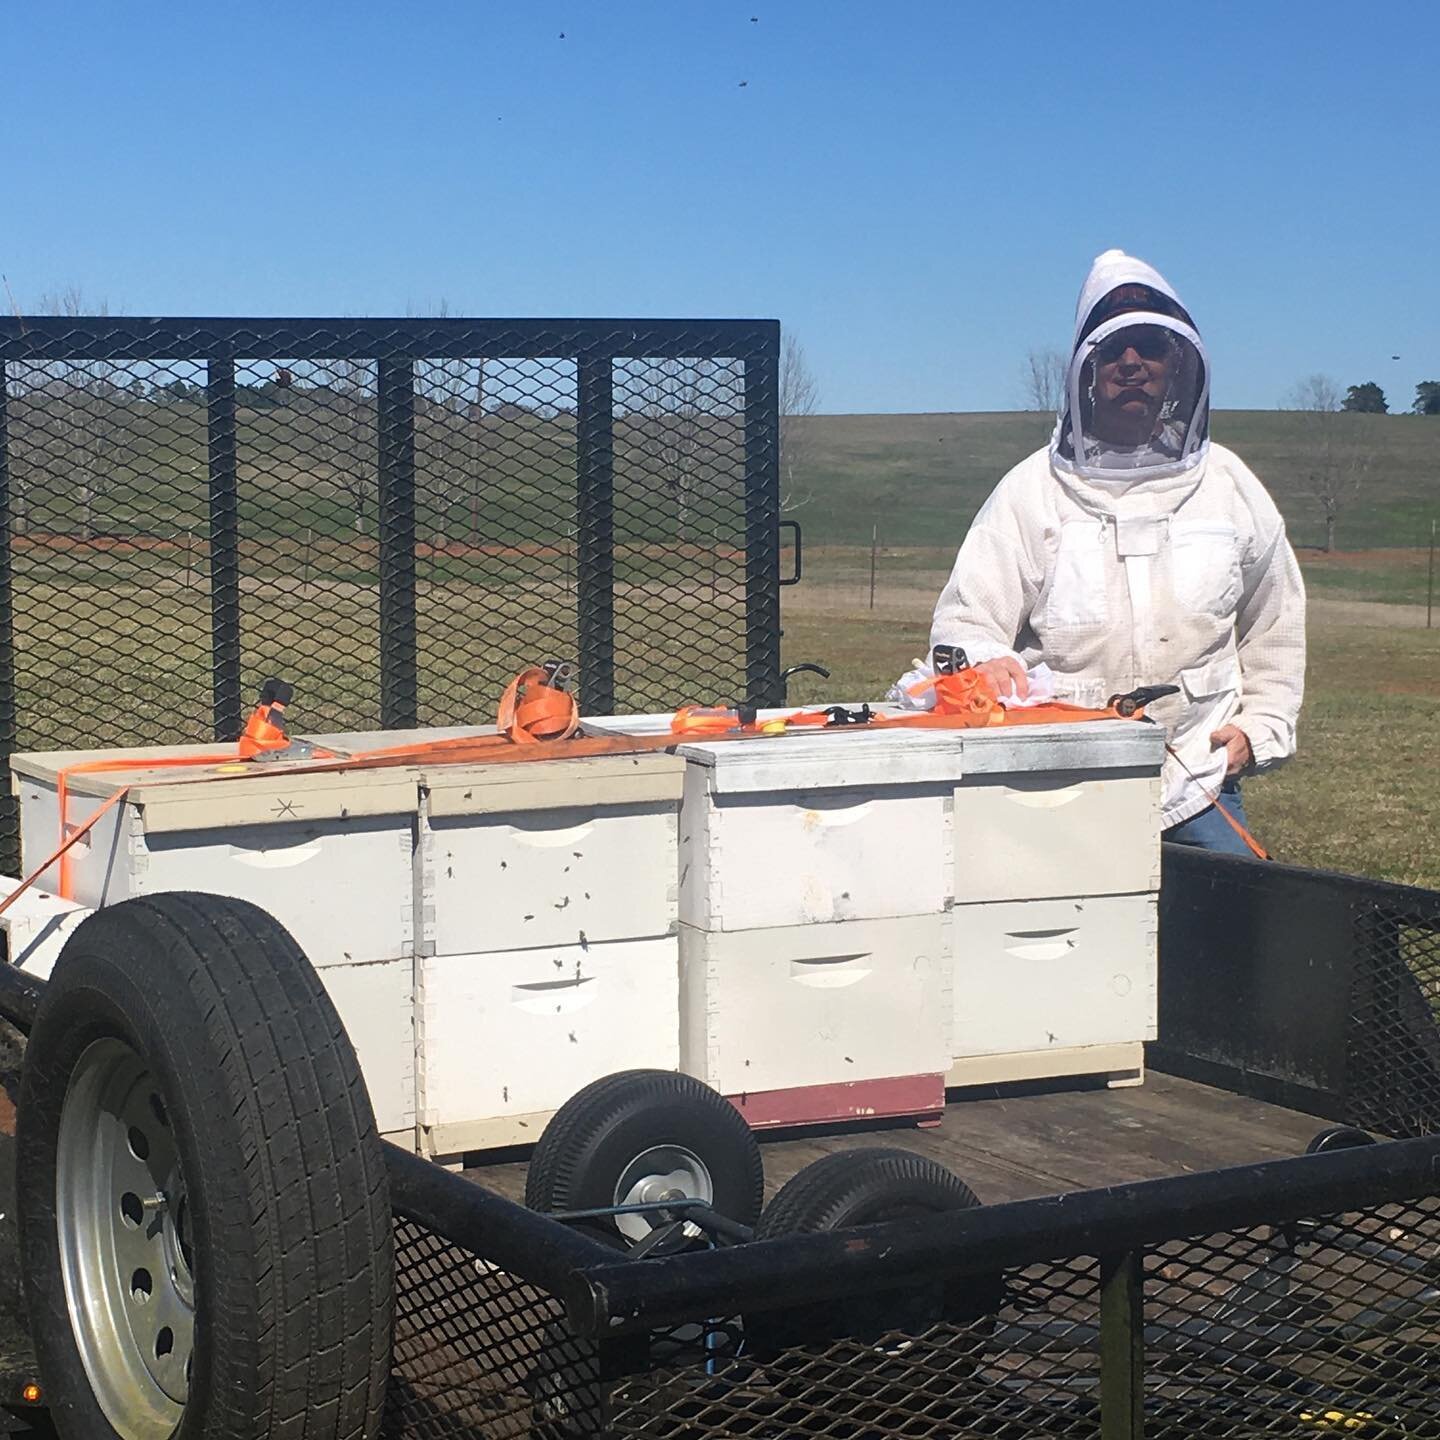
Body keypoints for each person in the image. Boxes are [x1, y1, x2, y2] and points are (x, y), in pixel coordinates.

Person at [925, 249, 1305, 853]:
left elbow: (1276, 622)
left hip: (1195, 777)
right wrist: (986, 661)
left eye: (1151, 346)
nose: (1133, 364)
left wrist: (1259, 729)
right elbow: (966, 620)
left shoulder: (1230, 486)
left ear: (1177, 365)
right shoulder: (1031, 492)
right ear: (1088, 369)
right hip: (1056, 778)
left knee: (1229, 930)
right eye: (1114, 351)